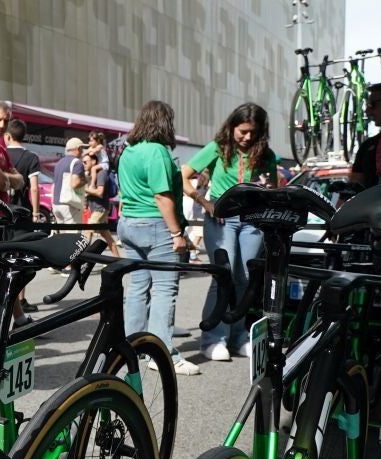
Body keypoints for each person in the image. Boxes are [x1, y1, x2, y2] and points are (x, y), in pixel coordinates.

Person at [183, 103, 278, 362]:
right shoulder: (216, 148)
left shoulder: (266, 154)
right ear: (232, 126)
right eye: (243, 131)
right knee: (223, 277)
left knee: (244, 279)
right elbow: (184, 175)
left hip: (252, 221)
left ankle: (238, 337)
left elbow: (274, 189)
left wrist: (267, 189)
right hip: (222, 220)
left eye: (253, 133)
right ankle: (213, 339)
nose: (247, 138)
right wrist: (205, 203)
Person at [117, 100, 199, 375]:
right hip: (155, 225)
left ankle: (134, 346)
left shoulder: (129, 151)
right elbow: (162, 197)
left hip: (129, 223)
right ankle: (163, 353)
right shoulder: (157, 153)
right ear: (165, 123)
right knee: (165, 289)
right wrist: (177, 233)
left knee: (138, 287)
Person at [4, 119, 44, 219]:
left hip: (2, 207)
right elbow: (34, 188)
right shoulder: (31, 157)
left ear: (8, 136)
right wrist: (36, 213)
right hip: (22, 208)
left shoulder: (1, 154)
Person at [52, 136, 87, 224]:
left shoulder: (59, 163)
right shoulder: (77, 162)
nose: (83, 151)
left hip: (56, 204)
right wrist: (85, 180)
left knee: (62, 235)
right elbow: (75, 183)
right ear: (78, 148)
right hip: (70, 205)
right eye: (82, 148)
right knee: (73, 235)